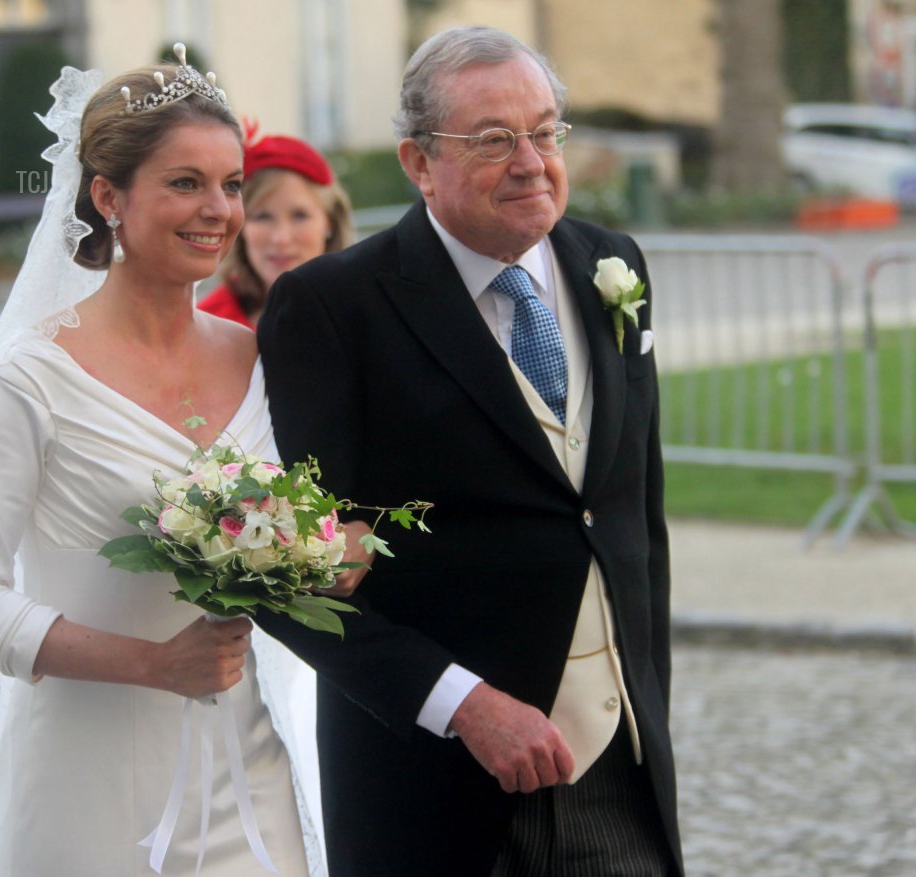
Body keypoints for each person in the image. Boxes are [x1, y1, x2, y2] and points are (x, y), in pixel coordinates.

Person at [0, 52, 317, 877]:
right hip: (90, 778)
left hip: (243, 765)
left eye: (232, 185)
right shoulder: (31, 376)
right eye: (185, 183)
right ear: (108, 195)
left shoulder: (258, 356)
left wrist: (321, 560)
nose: (218, 210)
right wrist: (155, 664)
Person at [256, 26, 684, 876]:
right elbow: (290, 583)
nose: (531, 161)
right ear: (418, 163)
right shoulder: (334, 308)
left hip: (616, 773)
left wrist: (648, 704)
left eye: (547, 130)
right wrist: (463, 705)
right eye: (493, 140)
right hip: (438, 792)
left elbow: (634, 510)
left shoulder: (611, 263)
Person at [198, 124, 352, 328]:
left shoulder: (367, 311)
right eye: (263, 217)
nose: (281, 238)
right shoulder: (205, 323)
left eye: (300, 216)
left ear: (330, 222)